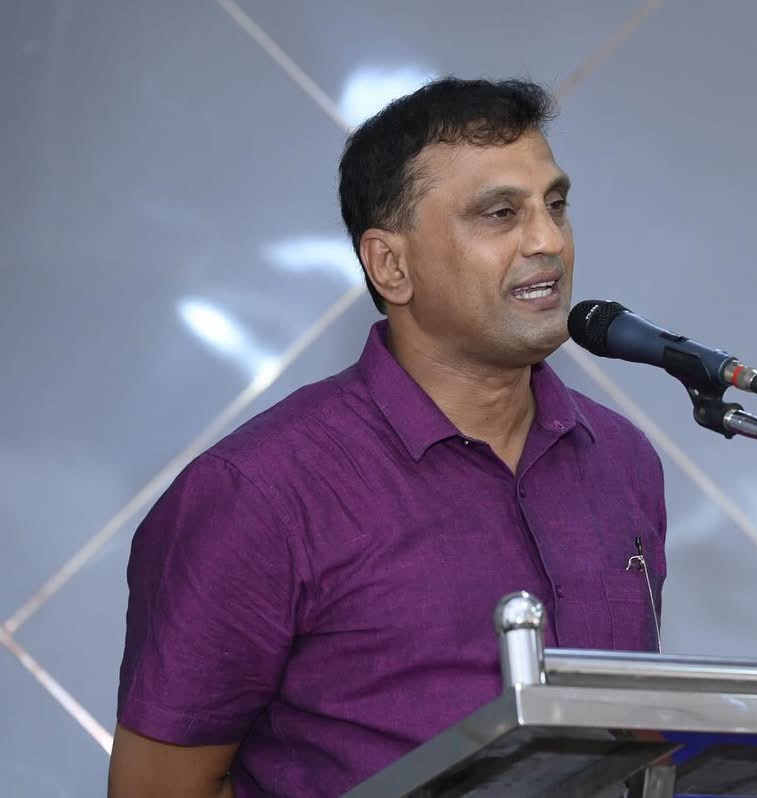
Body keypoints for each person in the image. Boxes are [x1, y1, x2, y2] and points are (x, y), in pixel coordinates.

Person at [108, 78, 667, 798]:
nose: (548, 241)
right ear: (390, 266)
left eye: (555, 205)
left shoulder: (620, 460)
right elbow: (157, 789)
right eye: (501, 213)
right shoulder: (258, 493)